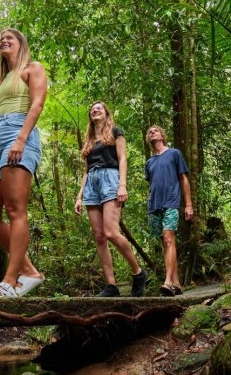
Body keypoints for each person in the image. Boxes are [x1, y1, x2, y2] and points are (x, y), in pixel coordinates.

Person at [0, 28, 46, 297]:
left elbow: (37, 104)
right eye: (1, 39)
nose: (4, 41)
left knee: (16, 210)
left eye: (10, 38)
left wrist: (21, 139)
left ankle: (10, 280)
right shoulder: (4, 79)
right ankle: (29, 270)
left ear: (21, 44)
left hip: (21, 133)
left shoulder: (33, 68)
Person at [74, 102, 147, 297]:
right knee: (99, 236)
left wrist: (122, 185)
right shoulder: (89, 140)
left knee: (111, 232)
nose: (94, 110)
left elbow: (123, 158)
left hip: (110, 179)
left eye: (99, 108)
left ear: (107, 113)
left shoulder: (116, 132)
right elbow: (86, 170)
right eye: (92, 109)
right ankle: (111, 286)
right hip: (92, 183)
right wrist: (79, 196)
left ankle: (138, 273)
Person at [144, 125, 193, 296]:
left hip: (171, 202)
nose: (152, 133)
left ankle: (168, 282)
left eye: (155, 130)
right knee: (165, 243)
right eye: (149, 132)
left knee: (169, 238)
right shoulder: (149, 162)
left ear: (162, 135)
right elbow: (151, 185)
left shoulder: (174, 154)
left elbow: (183, 179)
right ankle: (177, 283)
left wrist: (188, 205)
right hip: (154, 206)